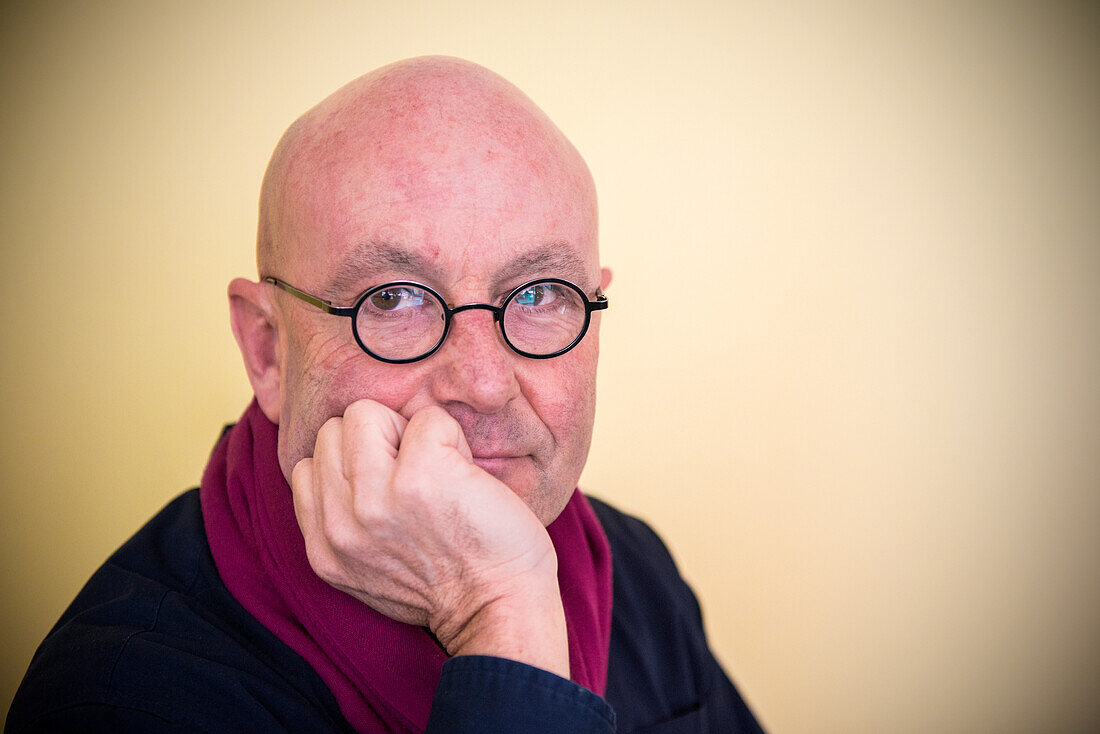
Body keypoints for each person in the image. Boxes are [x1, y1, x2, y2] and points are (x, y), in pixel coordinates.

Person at [7, 57, 764, 733]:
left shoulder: (633, 571)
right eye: (395, 299)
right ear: (268, 349)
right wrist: (499, 617)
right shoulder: (120, 700)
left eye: (539, 292)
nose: (483, 381)